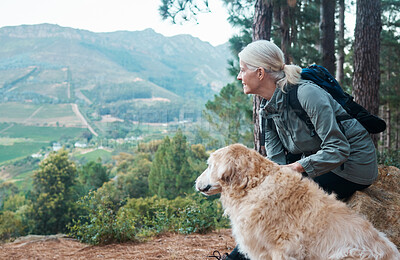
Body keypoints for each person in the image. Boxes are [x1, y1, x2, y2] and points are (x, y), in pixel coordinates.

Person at [215, 40, 378, 260]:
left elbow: (338, 148)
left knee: (279, 204)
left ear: (260, 73)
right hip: (322, 165)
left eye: (243, 70)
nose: (238, 76)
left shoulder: (307, 94)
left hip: (354, 165)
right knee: (270, 200)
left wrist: (296, 167)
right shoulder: (267, 112)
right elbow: (275, 165)